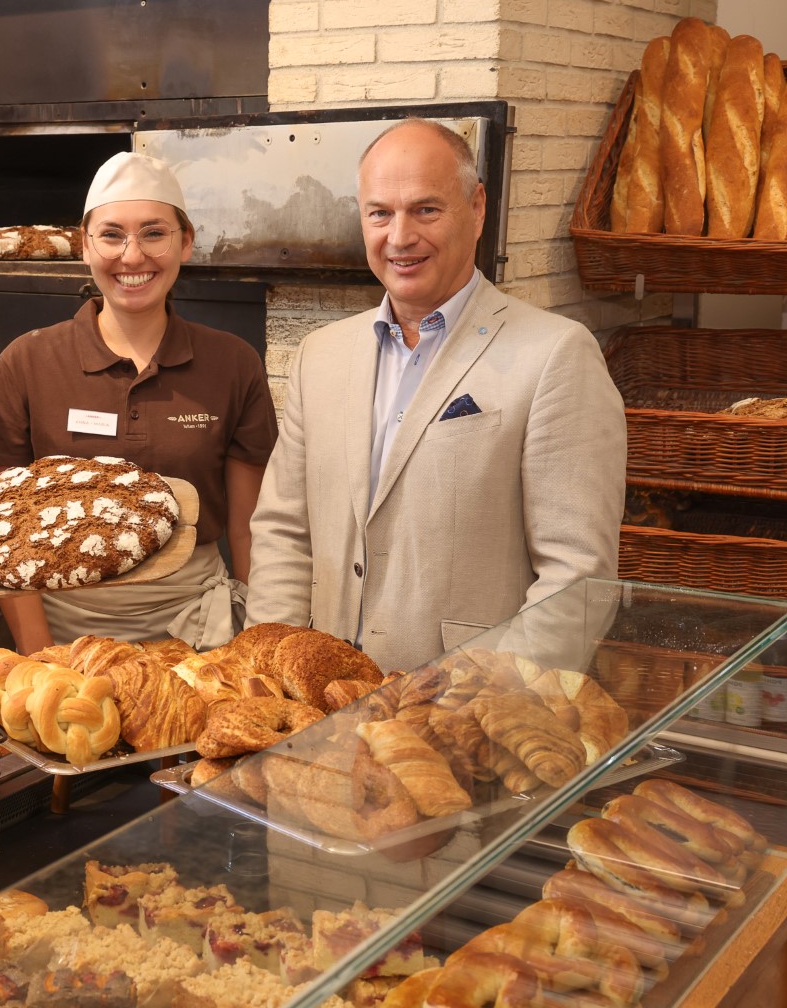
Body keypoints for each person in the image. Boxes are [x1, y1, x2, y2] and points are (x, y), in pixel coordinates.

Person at [245, 117, 625, 675]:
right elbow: (283, 530)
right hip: (320, 714)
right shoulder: (319, 356)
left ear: (476, 209)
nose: (399, 237)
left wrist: (485, 707)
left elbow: (578, 579)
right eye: (380, 213)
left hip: (461, 715)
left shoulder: (555, 355)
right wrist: (274, 671)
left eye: (426, 209)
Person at [0, 152, 278, 653]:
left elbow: (246, 528)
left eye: (154, 233)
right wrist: (42, 655)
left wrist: (255, 647)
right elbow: (7, 535)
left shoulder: (232, 363)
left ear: (186, 242)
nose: (132, 256)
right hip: (68, 632)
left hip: (198, 629)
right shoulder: (27, 361)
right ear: (85, 246)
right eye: (112, 235)